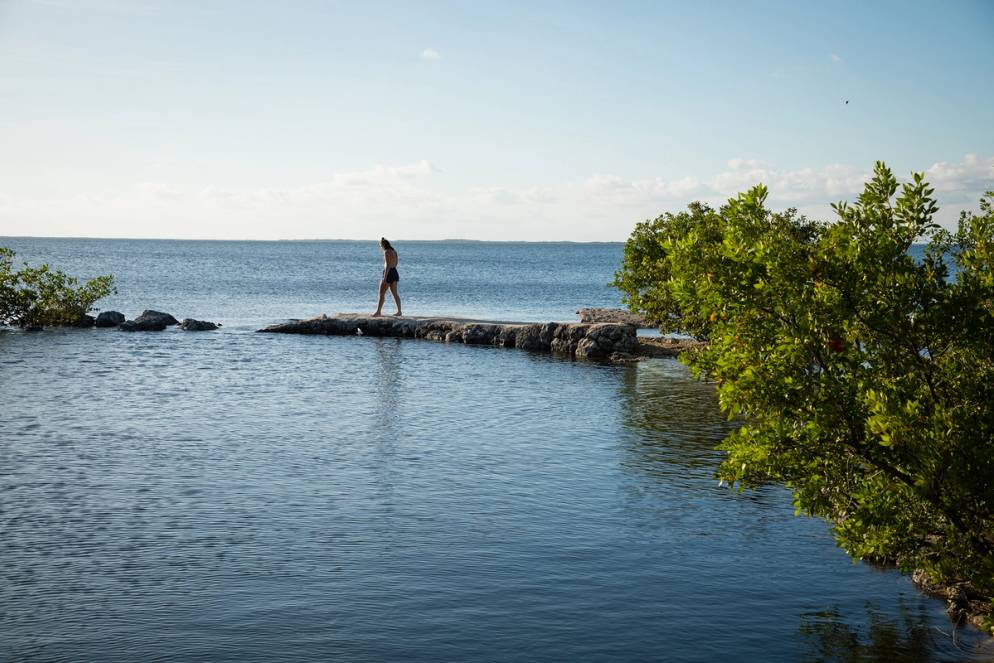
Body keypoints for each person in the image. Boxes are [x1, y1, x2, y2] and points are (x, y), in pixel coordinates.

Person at [373, 237, 402, 317]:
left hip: (388, 272)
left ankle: (378, 312)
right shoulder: (394, 251)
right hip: (394, 272)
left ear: (383, 245)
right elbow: (396, 263)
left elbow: (387, 265)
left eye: (380, 246)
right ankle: (399, 311)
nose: (380, 248)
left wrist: (385, 277)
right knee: (395, 294)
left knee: (381, 293)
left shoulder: (386, 252)